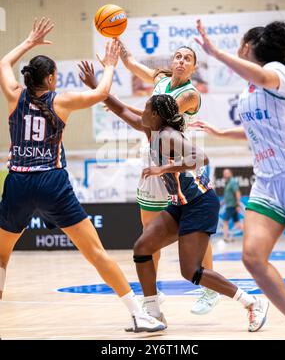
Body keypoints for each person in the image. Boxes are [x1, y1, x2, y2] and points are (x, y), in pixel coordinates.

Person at [0, 17, 166, 333]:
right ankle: (137, 314)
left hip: (18, 181)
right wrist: (111, 65)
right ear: (50, 79)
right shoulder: (61, 100)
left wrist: (29, 42)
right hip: (51, 181)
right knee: (95, 253)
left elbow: (3, 62)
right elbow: (102, 91)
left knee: (1, 256)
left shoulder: (13, 93)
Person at [102, 92, 269, 333]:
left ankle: (252, 303)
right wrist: (98, 89)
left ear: (156, 115)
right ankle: (153, 314)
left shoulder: (169, 134)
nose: (142, 112)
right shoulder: (153, 130)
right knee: (142, 248)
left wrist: (165, 168)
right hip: (181, 204)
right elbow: (122, 111)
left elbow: (201, 157)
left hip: (200, 202)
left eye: (146, 108)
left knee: (191, 271)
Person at [191, 19, 285, 339]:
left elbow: (262, 75)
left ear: (249, 46)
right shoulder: (247, 91)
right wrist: (220, 131)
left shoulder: (279, 72)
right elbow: (255, 132)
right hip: (266, 181)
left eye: (240, 44)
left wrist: (215, 52)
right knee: (252, 257)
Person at [117, 41, 220, 315]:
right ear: (172, 61)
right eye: (178, 56)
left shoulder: (190, 95)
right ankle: (155, 291)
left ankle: (210, 289)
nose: (182, 61)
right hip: (152, 154)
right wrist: (122, 53)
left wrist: (119, 105)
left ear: (194, 67)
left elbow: (155, 115)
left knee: (195, 228)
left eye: (188, 58)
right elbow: (134, 66)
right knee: (149, 228)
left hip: (176, 158)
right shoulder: (160, 79)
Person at [222, 168, 244, 242]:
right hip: (229, 205)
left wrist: (238, 205)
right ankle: (250, 235)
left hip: (232, 206)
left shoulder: (232, 182)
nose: (225, 174)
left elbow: (237, 193)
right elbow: (228, 196)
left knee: (225, 221)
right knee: (237, 224)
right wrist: (222, 203)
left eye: (227, 173)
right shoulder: (227, 183)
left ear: (230, 173)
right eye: (224, 173)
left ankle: (225, 238)